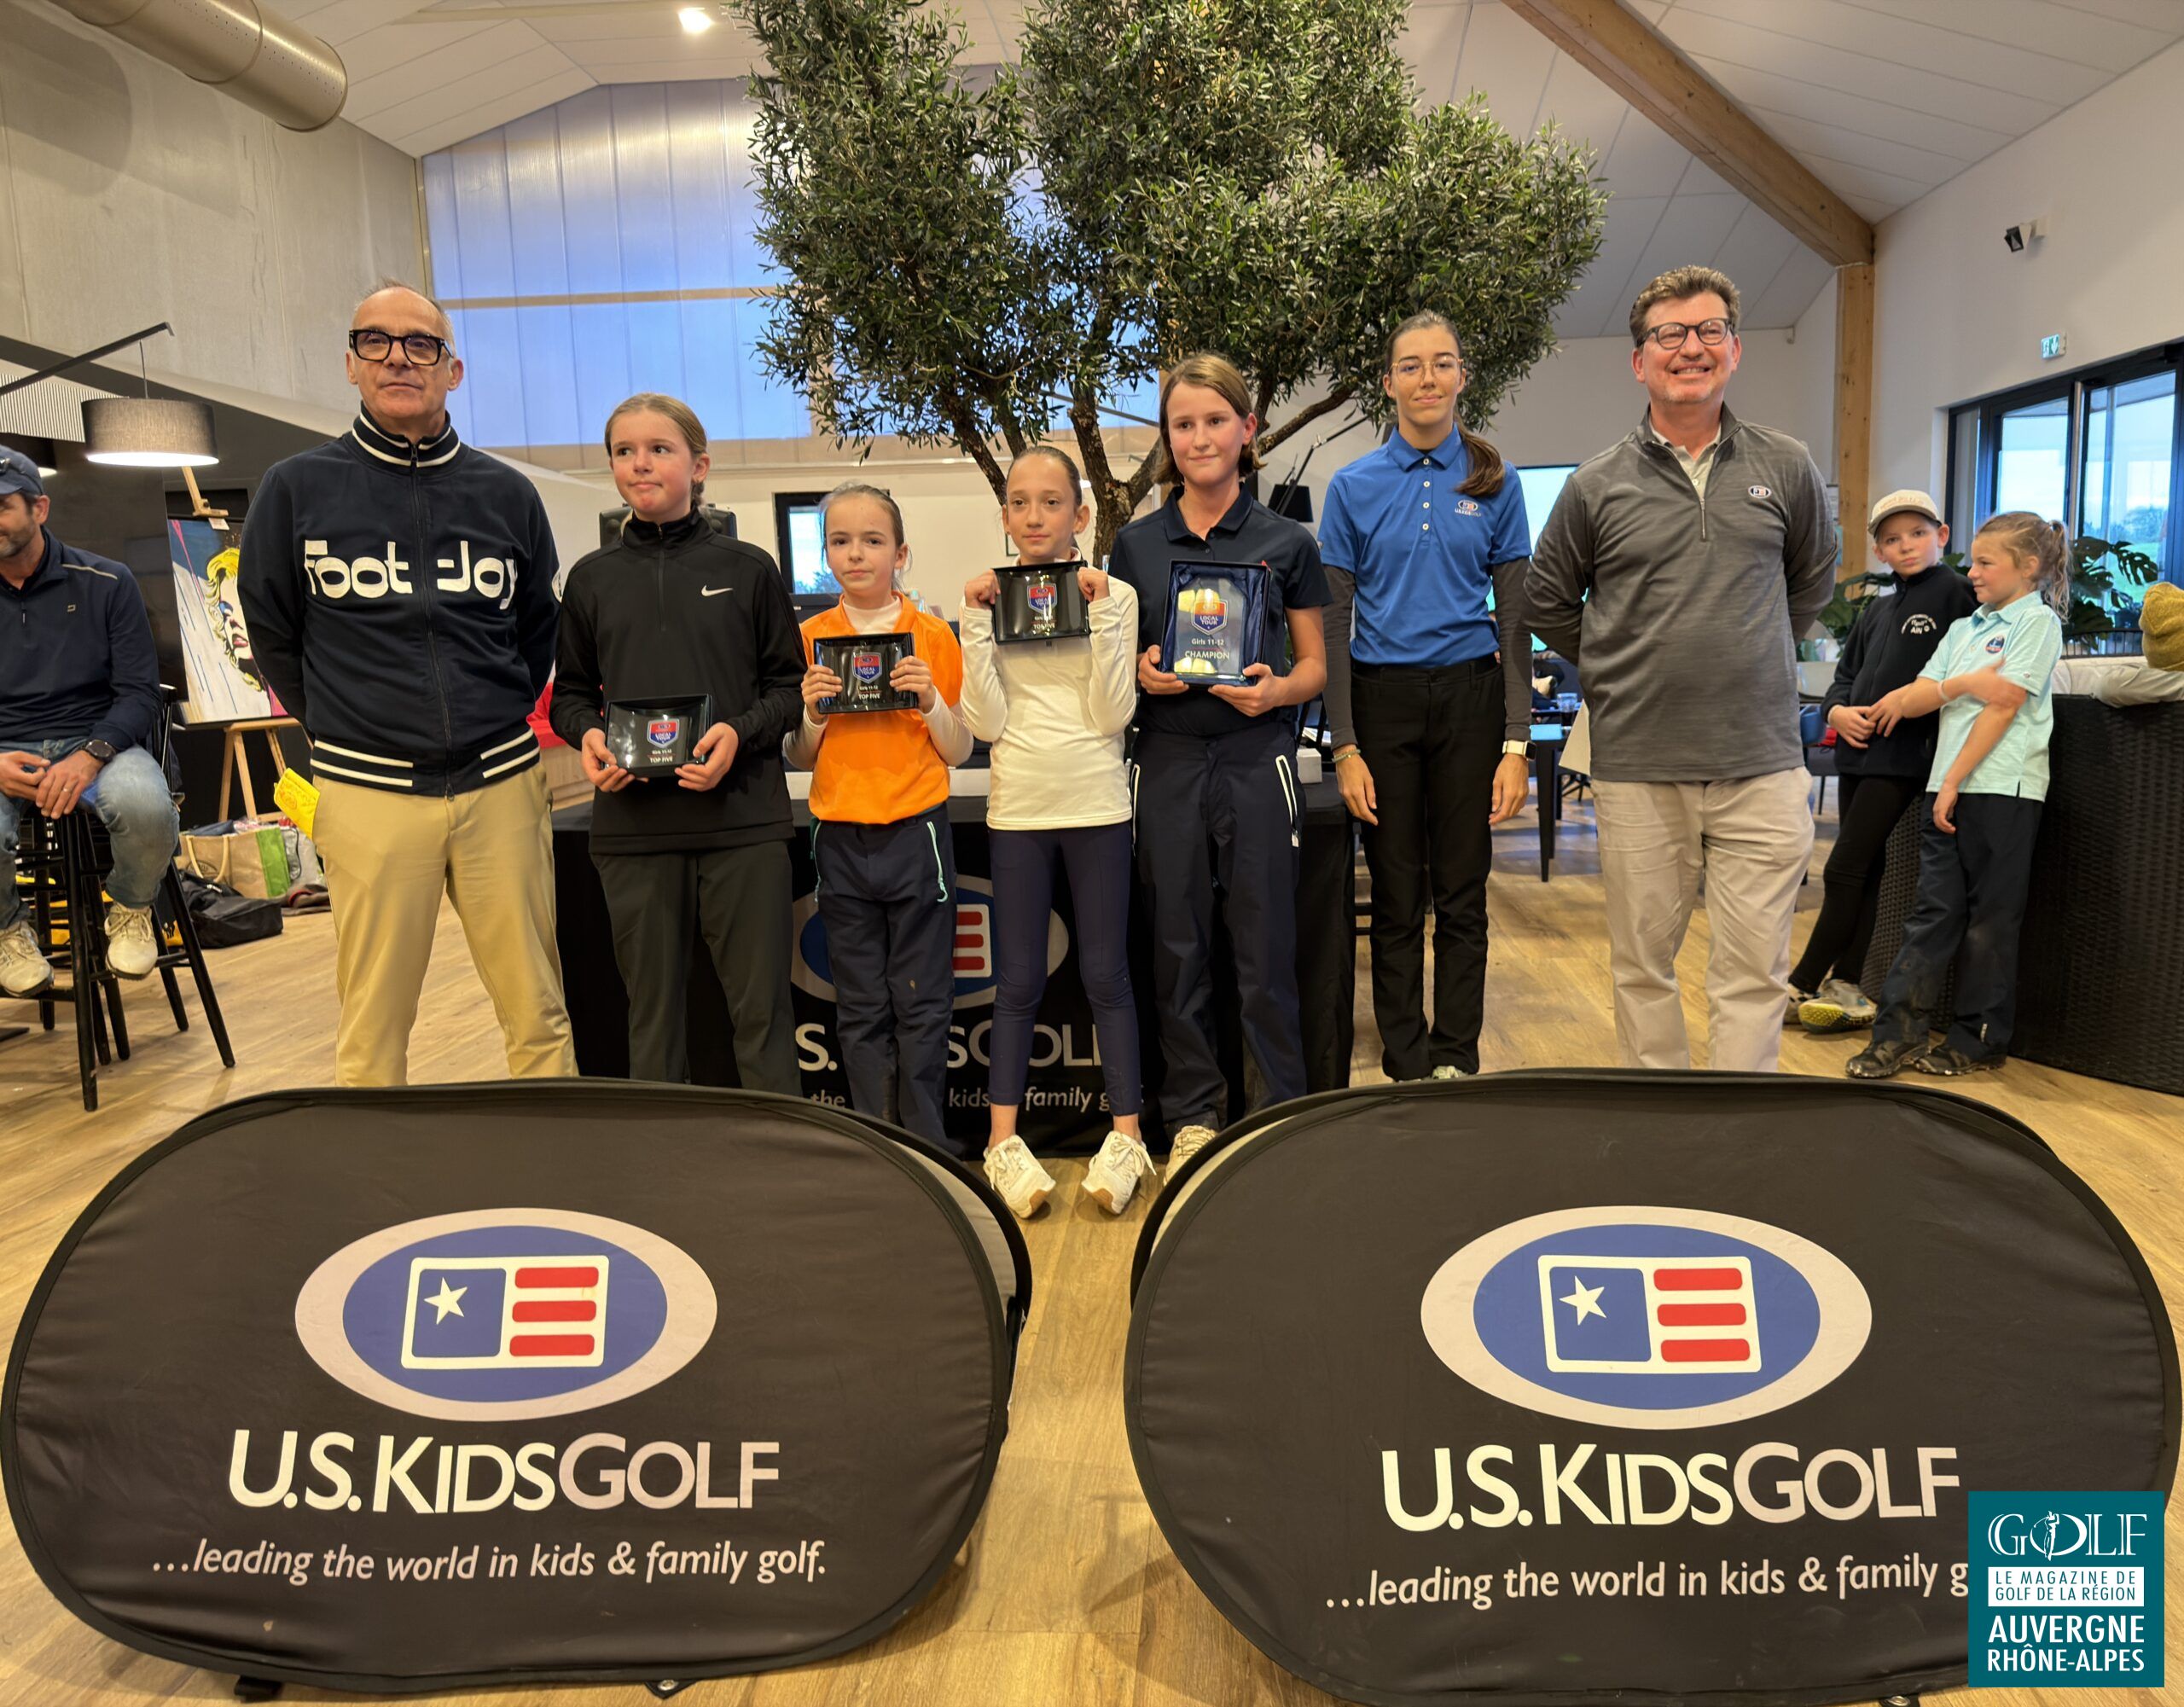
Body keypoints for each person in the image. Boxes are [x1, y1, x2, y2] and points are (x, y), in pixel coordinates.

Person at [239, 282, 576, 1086]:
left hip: (502, 785)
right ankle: (373, 1166)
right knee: (374, 1024)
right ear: (351, 364)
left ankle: (555, 1154)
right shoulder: (295, 489)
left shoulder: (507, 494)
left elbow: (538, 627)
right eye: (376, 341)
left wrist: (495, 711)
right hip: (369, 791)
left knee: (539, 1010)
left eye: (420, 344)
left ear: (452, 371)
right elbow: (273, 632)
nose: (398, 357)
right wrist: (348, 725)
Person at [1526, 264, 1837, 1072]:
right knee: (1642, 968)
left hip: (1761, 763)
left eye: (1708, 331)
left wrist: (1752, 647)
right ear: (1640, 361)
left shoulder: (1788, 465)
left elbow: (1811, 583)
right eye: (1669, 334)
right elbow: (1547, 599)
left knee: (1754, 973)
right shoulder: (1595, 484)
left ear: (1734, 350)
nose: (1690, 348)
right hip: (1639, 765)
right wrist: (1621, 662)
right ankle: (1659, 1125)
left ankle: (1738, 1127)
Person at [1111, 352, 1328, 1178]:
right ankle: (1194, 1116)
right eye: (1182, 424)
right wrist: (1141, 672)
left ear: (1246, 429)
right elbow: (1117, 665)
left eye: (1213, 421)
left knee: (1264, 945)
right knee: (1177, 947)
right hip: (1166, 757)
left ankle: (1276, 1113)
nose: (1199, 437)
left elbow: (1315, 668)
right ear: (1167, 438)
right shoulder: (1134, 545)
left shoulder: (1288, 541)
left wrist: (1276, 692)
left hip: (1255, 756)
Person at [549, 394, 804, 1089]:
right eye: (624, 451)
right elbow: (570, 695)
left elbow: (789, 689)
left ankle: (779, 1149)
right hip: (634, 832)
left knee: (762, 1018)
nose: (640, 463)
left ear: (699, 466)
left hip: (743, 824)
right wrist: (590, 737)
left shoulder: (749, 568)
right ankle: (660, 1154)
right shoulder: (590, 580)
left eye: (659, 448)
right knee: (653, 1022)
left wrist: (738, 734)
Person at [1321, 311, 1535, 1083]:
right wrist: (1344, 746)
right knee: (1397, 893)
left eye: (1442, 363)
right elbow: (1333, 623)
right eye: (1410, 365)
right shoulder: (1352, 487)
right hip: (1382, 702)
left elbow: (1516, 619)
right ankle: (1406, 1065)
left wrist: (1517, 742)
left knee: (1463, 892)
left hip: (1472, 700)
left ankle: (1456, 1061)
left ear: (1462, 377)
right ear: (1389, 383)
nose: (1427, 378)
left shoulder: (1496, 481)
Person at [959, 447, 1152, 1219]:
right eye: (1019, 502)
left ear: (1080, 514)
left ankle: (1127, 1138)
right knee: (1016, 982)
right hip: (1019, 810)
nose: (1033, 516)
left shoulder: (1116, 594)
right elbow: (985, 723)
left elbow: (1113, 714)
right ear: (1005, 515)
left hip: (1097, 804)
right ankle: (1001, 1143)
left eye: (1050, 501)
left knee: (1107, 975)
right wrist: (975, 623)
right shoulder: (988, 597)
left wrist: (1101, 612)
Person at [1846, 513, 2067, 1079]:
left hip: (2002, 789)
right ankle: (1897, 1035)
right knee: (1932, 915)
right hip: (1946, 790)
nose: (1973, 572)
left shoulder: (2037, 622)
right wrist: (1966, 683)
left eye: (1986, 562)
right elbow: (1916, 697)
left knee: (1990, 921)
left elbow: (2005, 704)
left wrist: (1951, 781)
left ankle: (1979, 1040)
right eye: (1973, 561)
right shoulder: (1966, 629)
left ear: (2029, 567)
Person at [786, 483, 972, 1149]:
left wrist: (930, 702)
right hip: (840, 836)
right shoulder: (808, 639)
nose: (856, 554)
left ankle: (928, 1146)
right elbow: (799, 755)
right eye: (840, 541)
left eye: (872, 540)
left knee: (922, 999)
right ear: (825, 553)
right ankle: (880, 1147)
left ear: (901, 553)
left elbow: (960, 748)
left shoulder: (932, 635)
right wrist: (812, 713)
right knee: (861, 1003)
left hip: (917, 833)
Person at [1791, 491, 1976, 1032]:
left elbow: (1970, 670)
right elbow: (1844, 678)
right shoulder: (1877, 610)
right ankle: (1847, 983)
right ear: (1879, 551)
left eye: (1918, 534)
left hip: (1904, 757)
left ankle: (1800, 982)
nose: (1907, 546)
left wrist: (1916, 701)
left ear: (1942, 536)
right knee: (1865, 871)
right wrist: (1837, 712)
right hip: (1857, 755)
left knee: (1843, 867)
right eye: (1893, 539)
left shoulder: (1958, 594)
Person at [0, 448, 177, 995]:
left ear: (40, 509)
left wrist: (89, 755)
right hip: (5, 747)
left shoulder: (107, 581)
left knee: (148, 809)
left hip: (97, 740)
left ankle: (130, 908)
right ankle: (7, 932)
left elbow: (139, 692)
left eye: (1, 507)